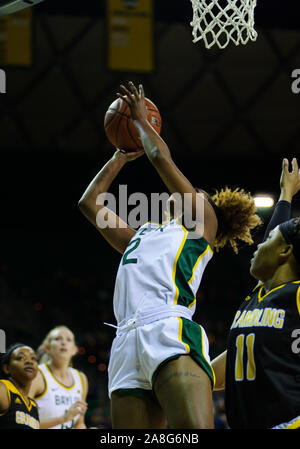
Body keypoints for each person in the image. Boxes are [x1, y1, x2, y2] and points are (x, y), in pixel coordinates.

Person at [78, 81, 262, 429]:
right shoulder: (140, 235)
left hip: (168, 328)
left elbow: (160, 157)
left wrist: (140, 122)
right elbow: (89, 203)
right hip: (124, 340)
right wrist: (120, 155)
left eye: (197, 194)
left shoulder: (200, 227)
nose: (188, 195)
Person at [212, 158, 300, 429]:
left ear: (285, 252)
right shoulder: (259, 295)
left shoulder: (296, 294)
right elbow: (235, 358)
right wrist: (286, 195)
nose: (257, 248)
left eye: (268, 243)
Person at [29, 325, 88, 429]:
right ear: (47, 348)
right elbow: (23, 421)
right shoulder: (37, 375)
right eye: (57, 339)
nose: (63, 343)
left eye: (68, 340)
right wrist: (63, 419)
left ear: (74, 350)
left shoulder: (81, 378)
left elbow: (79, 422)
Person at [0, 343, 39, 429]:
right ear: (7, 368)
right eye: (21, 358)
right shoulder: (3, 389)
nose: (29, 361)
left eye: (33, 358)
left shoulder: (34, 406)